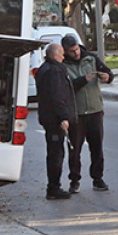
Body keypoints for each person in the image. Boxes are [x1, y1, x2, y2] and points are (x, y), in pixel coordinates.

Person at [61, 34, 113, 192]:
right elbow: (66, 87)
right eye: (71, 51)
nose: (76, 53)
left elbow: (107, 72)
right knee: (74, 149)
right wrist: (84, 80)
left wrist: (107, 77)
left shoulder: (91, 58)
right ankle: (74, 180)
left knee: (97, 147)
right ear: (65, 52)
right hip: (76, 113)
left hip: (95, 110)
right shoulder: (62, 65)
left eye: (76, 49)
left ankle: (98, 178)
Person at [34, 43, 81, 200]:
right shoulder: (55, 71)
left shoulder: (44, 68)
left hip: (48, 117)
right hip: (54, 120)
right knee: (56, 153)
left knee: (54, 152)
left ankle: (53, 186)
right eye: (61, 53)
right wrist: (63, 117)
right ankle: (53, 187)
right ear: (54, 55)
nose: (63, 56)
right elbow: (58, 96)